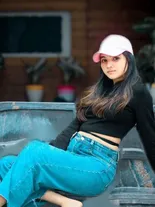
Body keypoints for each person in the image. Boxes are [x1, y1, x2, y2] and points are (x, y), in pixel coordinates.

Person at [0, 34, 155, 207]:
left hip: (97, 166)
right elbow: (71, 130)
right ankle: (63, 201)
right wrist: (47, 153)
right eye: (104, 60)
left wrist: (38, 155)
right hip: (73, 155)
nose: (109, 65)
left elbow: (150, 137)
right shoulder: (97, 93)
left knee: (33, 153)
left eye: (115, 59)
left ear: (129, 59)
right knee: (7, 165)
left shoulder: (138, 93)